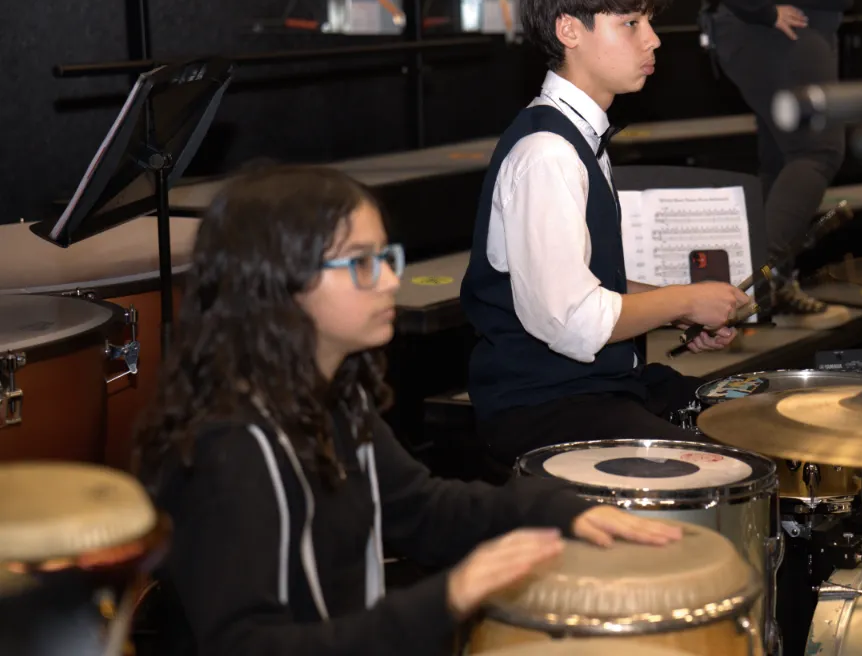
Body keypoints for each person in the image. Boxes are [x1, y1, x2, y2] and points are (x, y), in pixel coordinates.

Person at [134, 165, 681, 656]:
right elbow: (247, 646)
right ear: (279, 282)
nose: (392, 281)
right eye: (362, 263)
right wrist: (449, 596)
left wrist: (555, 509)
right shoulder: (228, 448)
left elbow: (421, 509)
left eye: (385, 257)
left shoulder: (335, 401)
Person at [460, 0, 750, 467]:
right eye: (631, 23)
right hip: (544, 406)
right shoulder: (547, 153)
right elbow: (574, 320)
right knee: (725, 468)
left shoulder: (579, 135)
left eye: (650, 21)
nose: (653, 40)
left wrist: (683, 309)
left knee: (757, 414)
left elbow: (588, 283)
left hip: (599, 386)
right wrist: (684, 301)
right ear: (569, 30)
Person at [703, 0, 856, 322]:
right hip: (773, 26)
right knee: (819, 150)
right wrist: (761, 7)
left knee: (781, 159)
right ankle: (746, 293)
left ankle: (773, 292)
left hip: (814, 22)